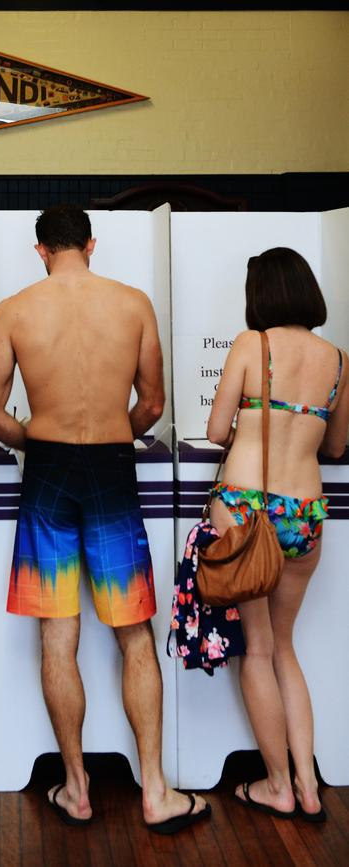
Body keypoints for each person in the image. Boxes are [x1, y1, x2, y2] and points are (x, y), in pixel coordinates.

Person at [0, 204, 210, 834]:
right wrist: (112, 433)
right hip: (112, 469)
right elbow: (154, 404)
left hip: (48, 473)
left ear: (41, 250)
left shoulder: (14, 309)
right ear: (91, 242)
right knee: (134, 632)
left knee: (59, 636)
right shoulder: (133, 303)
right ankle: (156, 792)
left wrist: (38, 441)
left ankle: (77, 788)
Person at [207, 247, 349, 822]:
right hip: (306, 511)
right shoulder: (339, 359)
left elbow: (218, 430)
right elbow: (336, 446)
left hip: (248, 507)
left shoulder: (251, 345)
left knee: (258, 650)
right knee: (286, 650)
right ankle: (310, 787)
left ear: (259, 294)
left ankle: (275, 786)